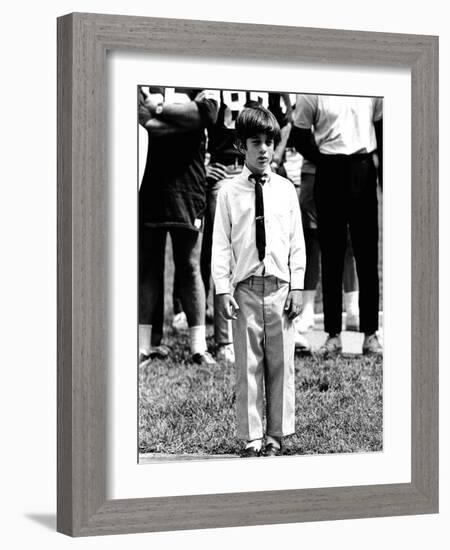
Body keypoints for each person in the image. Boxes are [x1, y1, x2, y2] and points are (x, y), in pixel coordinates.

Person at [212, 105, 306, 457]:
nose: (264, 149)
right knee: (247, 366)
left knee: (281, 365)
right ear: (242, 146)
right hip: (246, 289)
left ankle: (276, 436)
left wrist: (297, 285)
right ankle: (252, 437)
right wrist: (223, 289)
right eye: (256, 142)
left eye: (270, 142)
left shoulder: (285, 190)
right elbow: (220, 244)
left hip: (280, 289)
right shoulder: (229, 193)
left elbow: (297, 242)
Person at [292, 94, 383, 355]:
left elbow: (382, 128)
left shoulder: (371, 82)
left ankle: (370, 334)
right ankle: (333, 335)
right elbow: (299, 135)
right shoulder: (313, 89)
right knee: (331, 254)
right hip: (329, 169)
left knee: (366, 255)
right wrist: (323, 161)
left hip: (362, 167)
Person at [138, 86, 219, 366]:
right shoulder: (148, 72)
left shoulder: (197, 68)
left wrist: (159, 109)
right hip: (152, 182)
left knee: (190, 263)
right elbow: (141, 119)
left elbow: (206, 114)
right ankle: (144, 345)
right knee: (148, 263)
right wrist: (187, 123)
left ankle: (198, 346)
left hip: (189, 183)